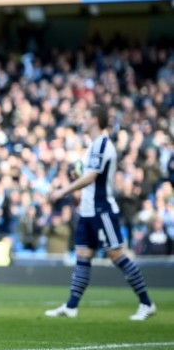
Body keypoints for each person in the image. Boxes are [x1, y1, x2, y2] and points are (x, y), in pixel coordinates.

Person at [45, 105, 156, 321]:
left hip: (101, 210)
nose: (82, 121)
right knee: (83, 257)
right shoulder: (93, 146)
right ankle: (71, 306)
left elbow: (90, 177)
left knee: (117, 255)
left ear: (95, 119)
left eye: (86, 116)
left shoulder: (102, 144)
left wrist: (63, 191)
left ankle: (146, 303)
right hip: (87, 211)